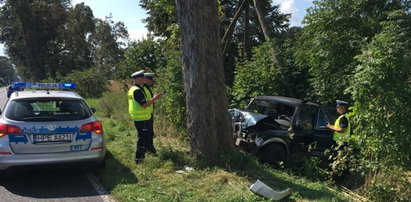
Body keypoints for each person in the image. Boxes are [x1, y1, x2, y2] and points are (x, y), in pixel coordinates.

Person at [128, 70, 163, 164]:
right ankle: (139, 160)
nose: (145, 79)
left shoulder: (136, 89)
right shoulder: (137, 91)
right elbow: (144, 104)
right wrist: (155, 98)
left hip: (143, 117)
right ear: (138, 79)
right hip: (141, 118)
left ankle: (143, 156)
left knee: (145, 138)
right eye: (143, 77)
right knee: (142, 139)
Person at [143, 72, 157, 155]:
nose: (152, 81)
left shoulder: (147, 88)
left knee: (150, 133)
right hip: (144, 115)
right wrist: (155, 98)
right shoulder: (143, 89)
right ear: (145, 79)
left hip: (148, 114)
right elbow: (145, 103)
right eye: (150, 79)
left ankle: (150, 150)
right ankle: (149, 151)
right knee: (147, 134)